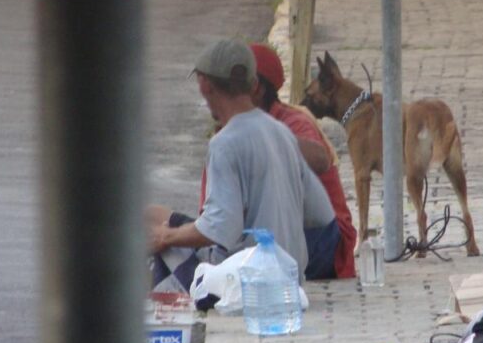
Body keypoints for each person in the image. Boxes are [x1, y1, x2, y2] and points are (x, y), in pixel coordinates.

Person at [148, 38, 335, 291]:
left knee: (154, 248)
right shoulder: (281, 132)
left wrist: (166, 237)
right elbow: (321, 214)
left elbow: (219, 227)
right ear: (253, 85)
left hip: (245, 281)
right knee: (153, 218)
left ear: (204, 84)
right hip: (290, 277)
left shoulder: (225, 142)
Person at [248, 43, 356, 280]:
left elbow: (319, 158)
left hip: (326, 242)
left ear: (255, 88)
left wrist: (261, 136)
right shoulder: (230, 130)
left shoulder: (295, 122)